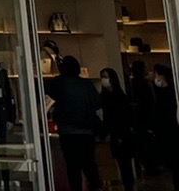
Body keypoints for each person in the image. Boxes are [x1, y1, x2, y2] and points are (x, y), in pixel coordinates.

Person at [47, 55, 102, 191]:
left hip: (67, 130)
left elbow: (49, 94)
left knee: (72, 166)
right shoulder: (86, 84)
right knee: (89, 163)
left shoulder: (58, 83)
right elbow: (96, 103)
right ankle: (95, 187)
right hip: (86, 130)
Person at [101, 67, 137, 191]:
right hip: (117, 135)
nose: (103, 80)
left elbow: (122, 117)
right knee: (123, 165)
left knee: (125, 165)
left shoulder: (119, 97)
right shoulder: (107, 96)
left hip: (122, 135)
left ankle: (129, 187)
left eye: (106, 77)